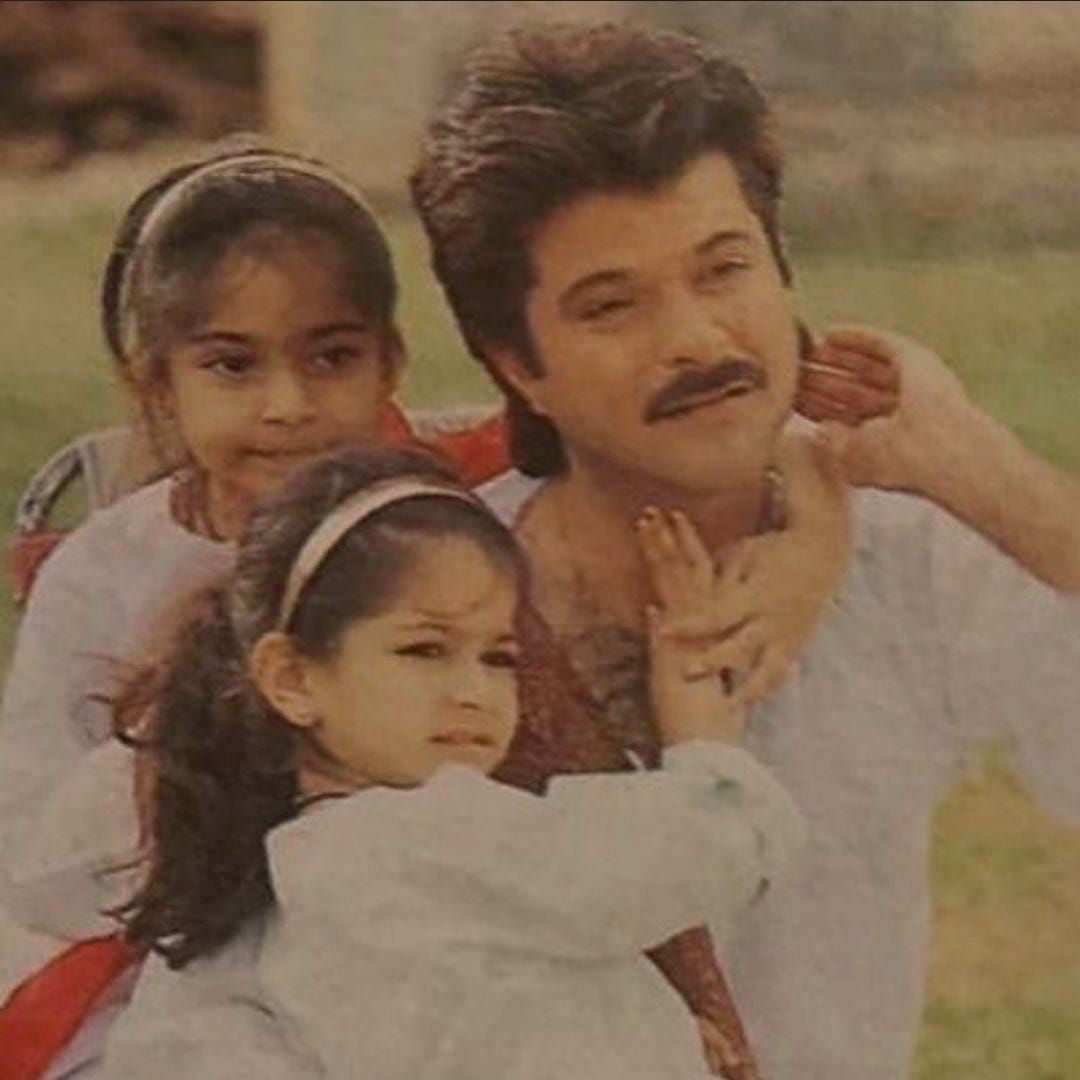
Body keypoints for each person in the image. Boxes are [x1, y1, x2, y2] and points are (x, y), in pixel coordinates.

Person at [409, 21, 1080, 1080]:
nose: (699, 340)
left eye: (724, 270)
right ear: (515, 364)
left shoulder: (904, 555)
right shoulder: (426, 593)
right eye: (612, 306)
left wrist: (986, 472)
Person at [0, 143, 506, 1079]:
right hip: (172, 963)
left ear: (389, 361)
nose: (288, 405)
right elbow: (35, 859)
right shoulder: (104, 576)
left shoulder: (438, 531)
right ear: (159, 387)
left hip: (411, 937)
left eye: (333, 357)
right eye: (233, 367)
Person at [94, 444, 801, 1080]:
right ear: (292, 678)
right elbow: (696, 849)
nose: (473, 692)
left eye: (499, 658)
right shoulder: (436, 837)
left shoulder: (290, 886)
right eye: (424, 650)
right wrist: (704, 736)